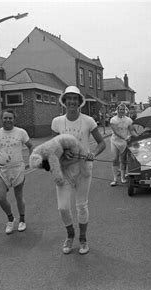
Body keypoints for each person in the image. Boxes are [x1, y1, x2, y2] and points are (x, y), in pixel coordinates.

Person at [51, 86, 106, 255]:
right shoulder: (57, 122)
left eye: (75, 98)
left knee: (81, 206)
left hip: (83, 170)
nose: (72, 101)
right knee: (63, 207)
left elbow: (102, 143)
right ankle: (70, 235)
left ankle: (83, 239)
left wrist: (93, 153)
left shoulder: (88, 121)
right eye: (69, 98)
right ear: (65, 101)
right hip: (64, 170)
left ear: (80, 102)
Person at [0, 109, 34, 234]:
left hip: (18, 168)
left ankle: (22, 220)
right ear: (1, 119)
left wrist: (31, 160)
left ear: (14, 119)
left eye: (10, 118)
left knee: (19, 196)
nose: (8, 120)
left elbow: (30, 146)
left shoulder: (21, 132)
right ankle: (10, 219)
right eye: (5, 118)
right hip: (1, 169)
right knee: (0, 197)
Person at [109, 103, 136, 186]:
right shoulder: (113, 120)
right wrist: (125, 137)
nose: (121, 111)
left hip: (124, 143)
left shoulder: (128, 120)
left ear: (125, 111)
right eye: (120, 109)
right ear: (117, 110)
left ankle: (123, 178)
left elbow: (131, 130)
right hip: (115, 141)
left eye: (123, 110)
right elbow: (116, 131)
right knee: (114, 159)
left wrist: (139, 136)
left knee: (123, 160)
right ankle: (115, 179)